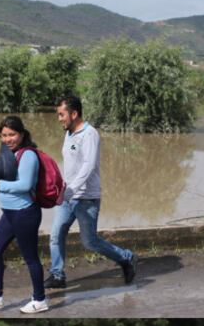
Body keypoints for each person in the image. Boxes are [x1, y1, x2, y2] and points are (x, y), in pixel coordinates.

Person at [46, 95, 137, 289]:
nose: (59, 119)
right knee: (55, 235)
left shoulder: (90, 134)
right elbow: (70, 165)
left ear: (74, 114)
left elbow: (88, 166)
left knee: (90, 242)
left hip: (86, 198)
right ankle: (57, 275)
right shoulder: (69, 133)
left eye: (62, 115)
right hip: (67, 196)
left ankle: (126, 258)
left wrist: (70, 191)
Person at [0, 116, 48, 314]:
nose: (8, 139)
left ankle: (40, 299)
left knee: (31, 258)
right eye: (4, 135)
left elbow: (25, 184)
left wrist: (1, 185)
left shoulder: (28, 155)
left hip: (25, 213)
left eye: (12, 134)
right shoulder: (9, 154)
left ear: (21, 134)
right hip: (9, 214)